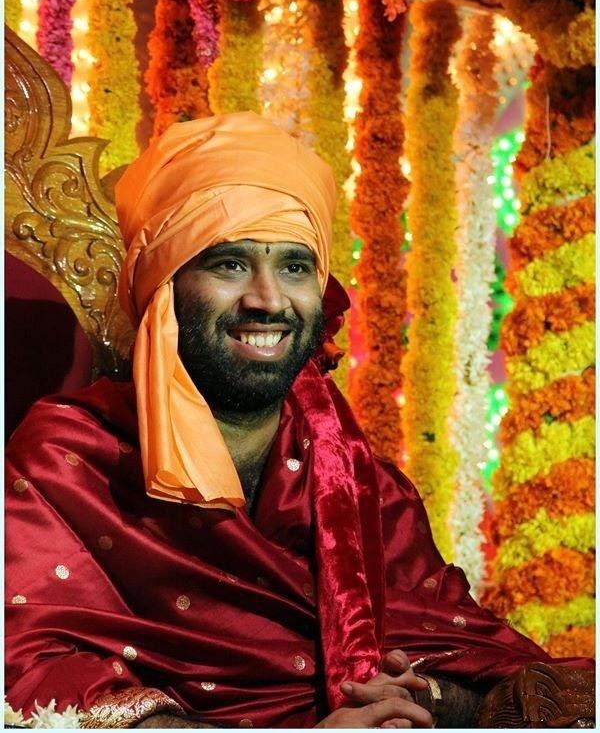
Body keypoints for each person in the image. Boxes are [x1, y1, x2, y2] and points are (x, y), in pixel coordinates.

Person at [5, 113, 594, 729]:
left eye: (294, 266)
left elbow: (472, 658)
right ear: (162, 290)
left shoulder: (360, 482)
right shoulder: (69, 461)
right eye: (229, 264)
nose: (268, 300)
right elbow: (37, 676)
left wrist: (420, 700)